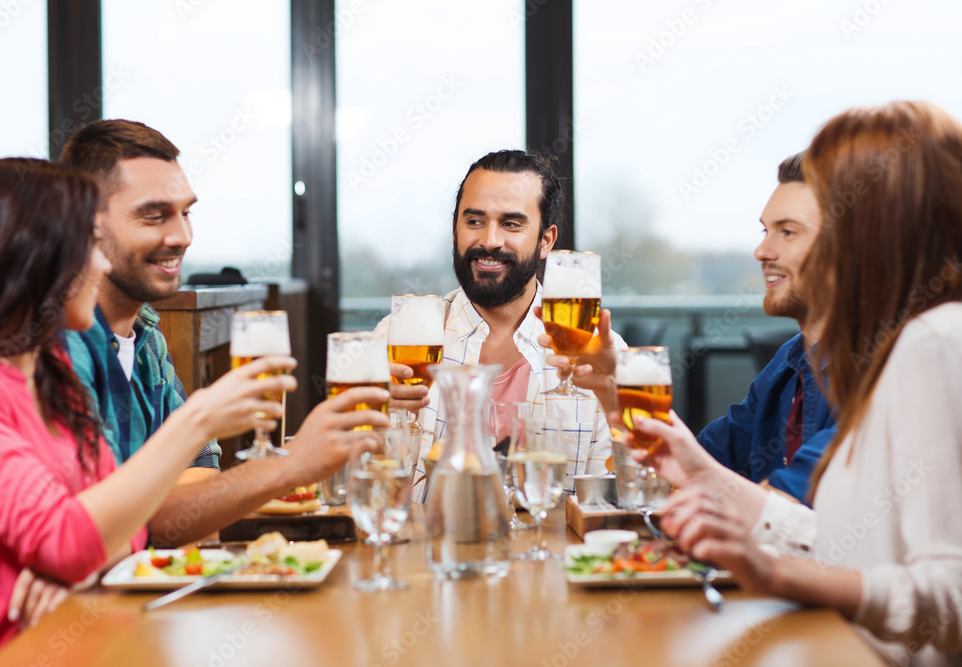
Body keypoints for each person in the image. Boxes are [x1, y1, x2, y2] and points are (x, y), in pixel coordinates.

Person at [639, 101, 962, 666]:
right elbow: (848, 544)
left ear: (883, 227)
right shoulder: (887, 353)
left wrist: (779, 573)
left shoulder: (932, 344)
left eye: (799, 229)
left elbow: (951, 594)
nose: (767, 249)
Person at [0, 158, 293, 663]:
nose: (101, 265)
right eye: (85, 247)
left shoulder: (50, 377)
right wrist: (198, 419)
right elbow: (75, 538)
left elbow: (127, 529)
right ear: (34, 258)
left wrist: (75, 565)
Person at [60, 119, 389, 546]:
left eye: (186, 212)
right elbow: (106, 531)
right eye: (155, 216)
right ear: (87, 224)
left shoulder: (147, 338)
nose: (183, 236)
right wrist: (290, 466)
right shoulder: (56, 347)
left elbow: (198, 473)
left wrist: (163, 503)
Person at [544, 152, 834, 504]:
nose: (761, 250)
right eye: (765, 230)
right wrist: (614, 390)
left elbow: (786, 513)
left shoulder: (880, 378)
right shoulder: (785, 368)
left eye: (787, 232)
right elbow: (680, 476)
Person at [376, 149, 624, 494]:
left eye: (511, 224)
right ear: (454, 230)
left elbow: (627, 497)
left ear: (545, 241)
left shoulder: (598, 354)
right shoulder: (396, 337)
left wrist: (617, 401)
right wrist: (371, 427)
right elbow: (354, 483)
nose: (490, 241)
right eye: (474, 221)